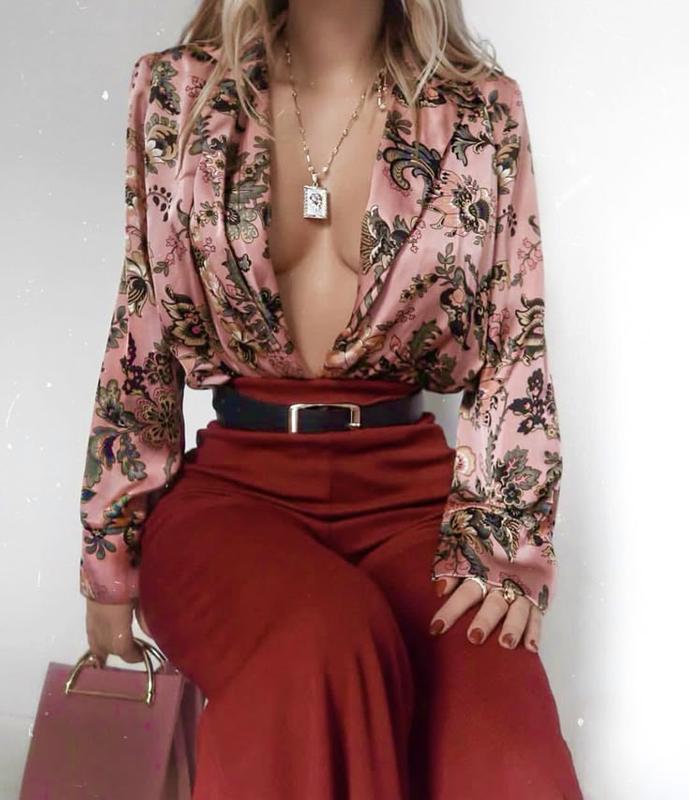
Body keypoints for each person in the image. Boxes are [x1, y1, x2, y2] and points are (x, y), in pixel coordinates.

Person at [78, 1, 583, 797]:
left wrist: (503, 540)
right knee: (317, 643)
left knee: (503, 743)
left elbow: (513, 332)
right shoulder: (178, 93)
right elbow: (140, 324)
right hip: (233, 494)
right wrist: (109, 549)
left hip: (413, 503)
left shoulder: (481, 110)